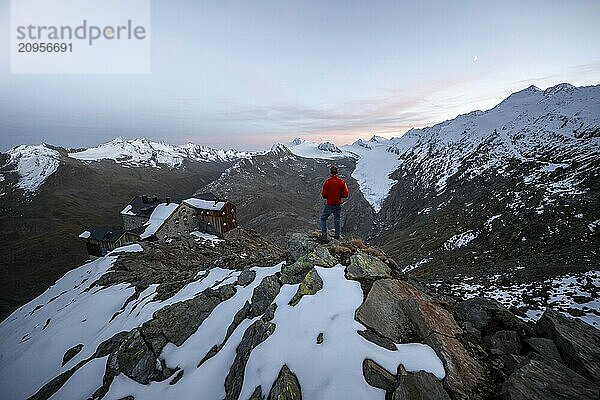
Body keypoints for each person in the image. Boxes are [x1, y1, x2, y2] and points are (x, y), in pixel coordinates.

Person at [320, 164, 349, 241]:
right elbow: (346, 194)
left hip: (329, 204)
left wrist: (329, 197)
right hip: (338, 204)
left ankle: (324, 235)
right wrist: (339, 195)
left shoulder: (327, 182)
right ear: (337, 172)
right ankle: (337, 236)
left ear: (330, 172)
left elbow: (324, 195)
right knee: (337, 220)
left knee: (323, 218)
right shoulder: (342, 182)